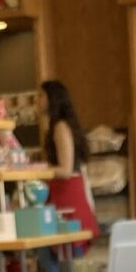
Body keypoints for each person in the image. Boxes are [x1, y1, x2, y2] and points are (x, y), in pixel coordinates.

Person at [38, 79, 99, 246]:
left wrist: (40, 170)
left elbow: (65, 169)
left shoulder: (60, 128)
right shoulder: (58, 126)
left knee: (57, 250)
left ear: (52, 99)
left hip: (67, 193)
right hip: (65, 191)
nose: (38, 101)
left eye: (41, 96)